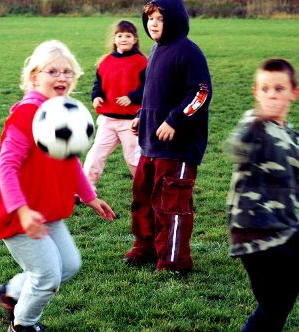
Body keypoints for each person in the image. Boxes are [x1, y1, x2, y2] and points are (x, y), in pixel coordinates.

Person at [0, 40, 115, 332]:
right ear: (34, 77)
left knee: (68, 266)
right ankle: (23, 325)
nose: (62, 77)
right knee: (47, 276)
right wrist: (23, 210)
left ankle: (13, 293)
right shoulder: (27, 113)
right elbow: (6, 166)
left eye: (68, 72)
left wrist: (89, 196)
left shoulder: (64, 111)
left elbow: (70, 161)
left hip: (46, 207)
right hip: (19, 212)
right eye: (52, 71)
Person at [124, 0, 212, 274]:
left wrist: (175, 119)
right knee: (143, 201)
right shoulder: (156, 50)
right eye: (149, 18)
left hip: (178, 148)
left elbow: (200, 94)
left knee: (170, 205)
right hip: (151, 145)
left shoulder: (188, 52)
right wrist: (142, 115)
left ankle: (174, 261)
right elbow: (156, 93)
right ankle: (146, 247)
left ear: (174, 21)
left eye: (160, 19)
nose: (153, 24)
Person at [226, 58, 298, 332]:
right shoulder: (254, 125)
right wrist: (256, 119)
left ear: (293, 93)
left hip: (283, 229)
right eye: (265, 89)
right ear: (256, 93)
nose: (272, 95)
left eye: (279, 89)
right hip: (255, 232)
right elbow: (236, 149)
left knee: (279, 304)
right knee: (273, 307)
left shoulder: (292, 137)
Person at [83, 20, 147, 193]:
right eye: (120, 36)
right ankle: (85, 190)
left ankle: (146, 189)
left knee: (133, 158)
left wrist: (132, 97)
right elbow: (98, 84)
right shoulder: (105, 62)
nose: (123, 39)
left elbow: (149, 88)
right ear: (114, 39)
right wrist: (96, 96)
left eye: (128, 36)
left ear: (135, 39)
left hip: (131, 123)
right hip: (108, 120)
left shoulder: (142, 62)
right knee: (96, 155)